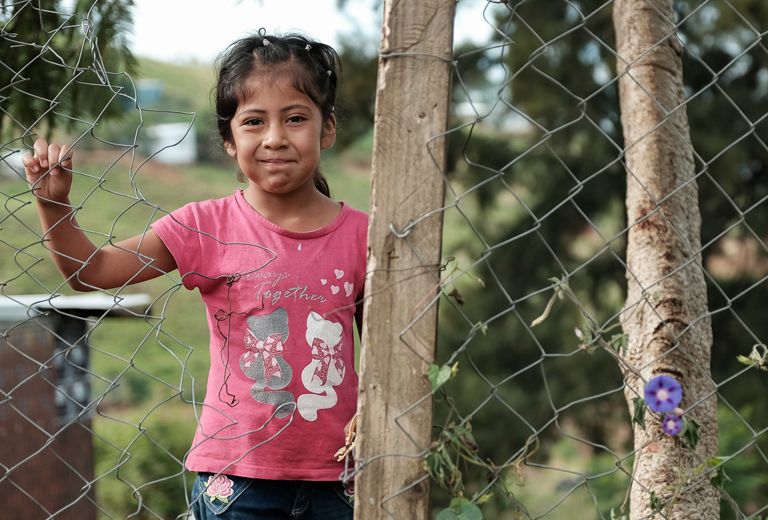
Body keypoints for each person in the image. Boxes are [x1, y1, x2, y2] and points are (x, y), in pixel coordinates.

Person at [23, 30, 366, 519]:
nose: (274, 138)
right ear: (229, 139)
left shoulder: (363, 238)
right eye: (253, 121)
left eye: (295, 118)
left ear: (326, 129)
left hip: (342, 477)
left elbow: (390, 360)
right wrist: (53, 206)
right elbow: (91, 270)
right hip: (238, 480)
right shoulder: (205, 226)